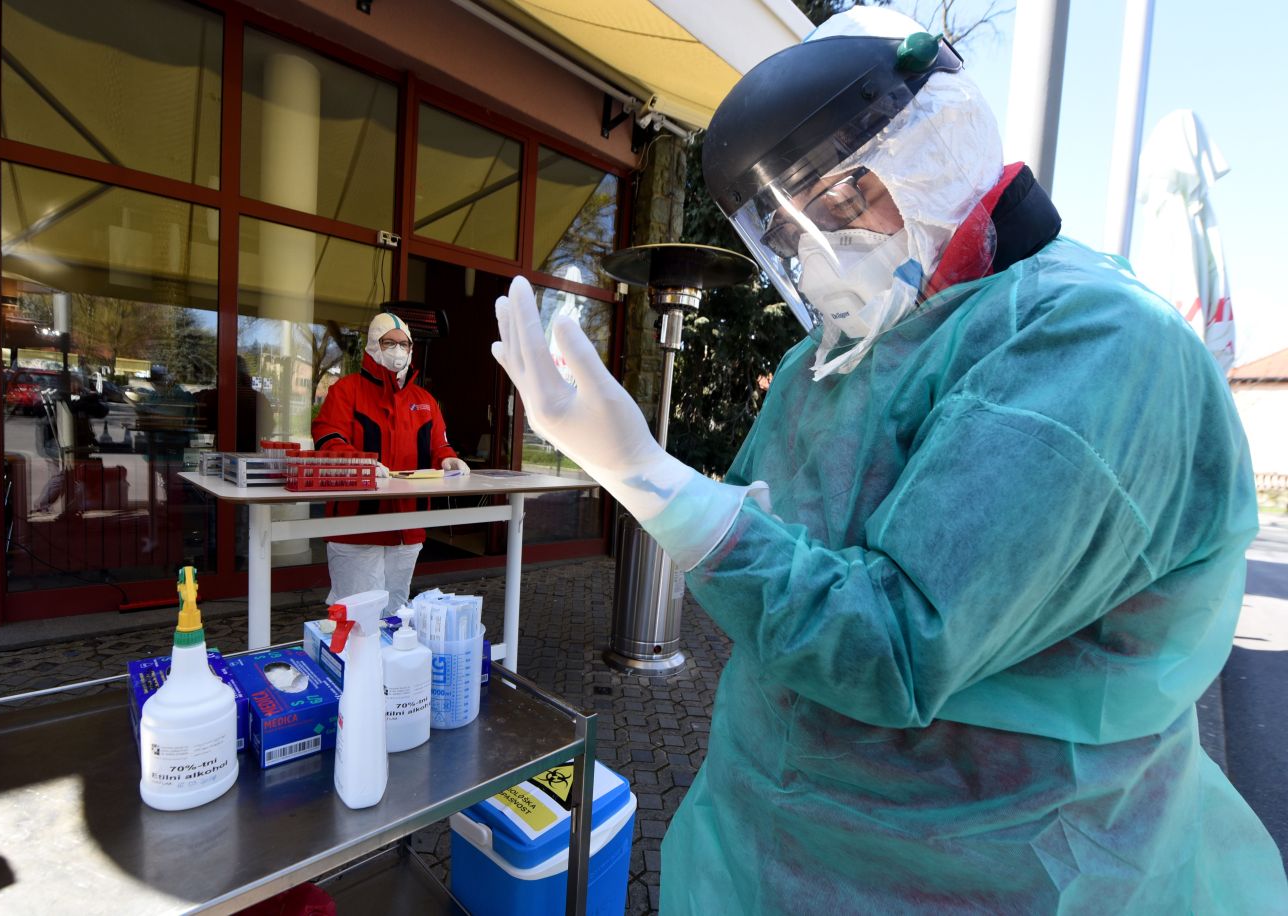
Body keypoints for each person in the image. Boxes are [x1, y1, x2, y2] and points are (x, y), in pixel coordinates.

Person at [491, 7, 1288, 912]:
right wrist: (651, 473)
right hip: (768, 837)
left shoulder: (1098, 346)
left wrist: (644, 473)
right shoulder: (836, 357)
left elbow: (895, 644)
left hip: (996, 866)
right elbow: (769, 537)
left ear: (937, 148)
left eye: (841, 200)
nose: (818, 250)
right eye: (788, 228)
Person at [312, 311, 469, 612]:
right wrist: (359, 463)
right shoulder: (346, 392)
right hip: (356, 528)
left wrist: (449, 459)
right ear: (373, 345)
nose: (398, 350)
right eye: (389, 342)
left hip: (407, 530)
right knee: (356, 616)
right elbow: (328, 439)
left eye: (404, 344)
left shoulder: (425, 401)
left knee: (396, 614)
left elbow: (440, 445)